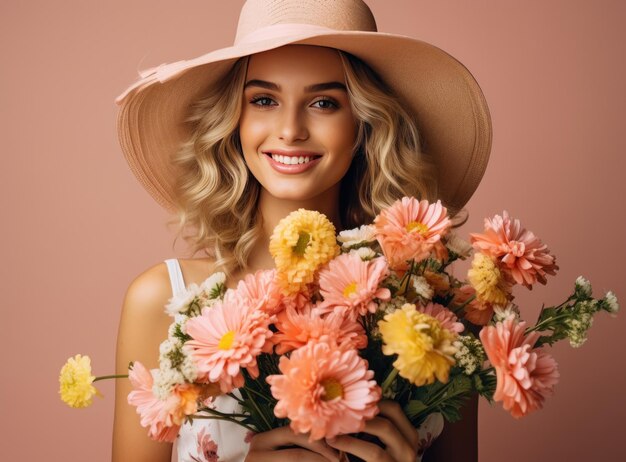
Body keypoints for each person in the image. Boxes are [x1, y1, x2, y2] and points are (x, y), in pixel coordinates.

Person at [112, 1, 491, 461]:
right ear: (235, 120)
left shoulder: (439, 318)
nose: (290, 130)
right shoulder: (162, 302)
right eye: (264, 100)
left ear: (364, 126)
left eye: (324, 103)